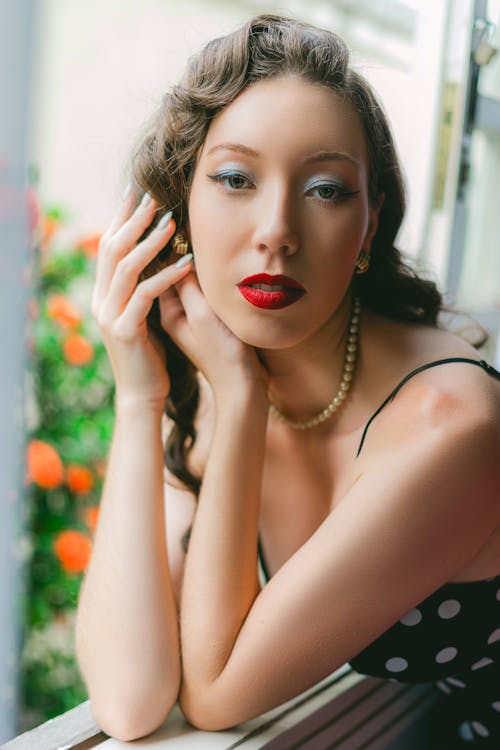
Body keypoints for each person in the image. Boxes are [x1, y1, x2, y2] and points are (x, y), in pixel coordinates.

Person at [75, 14, 500, 746]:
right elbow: (128, 698)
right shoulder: (215, 382)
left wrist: (241, 401)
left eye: (327, 189)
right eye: (236, 178)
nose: (276, 229)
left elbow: (215, 695)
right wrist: (140, 397)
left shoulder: (451, 424)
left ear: (369, 228)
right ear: (178, 214)